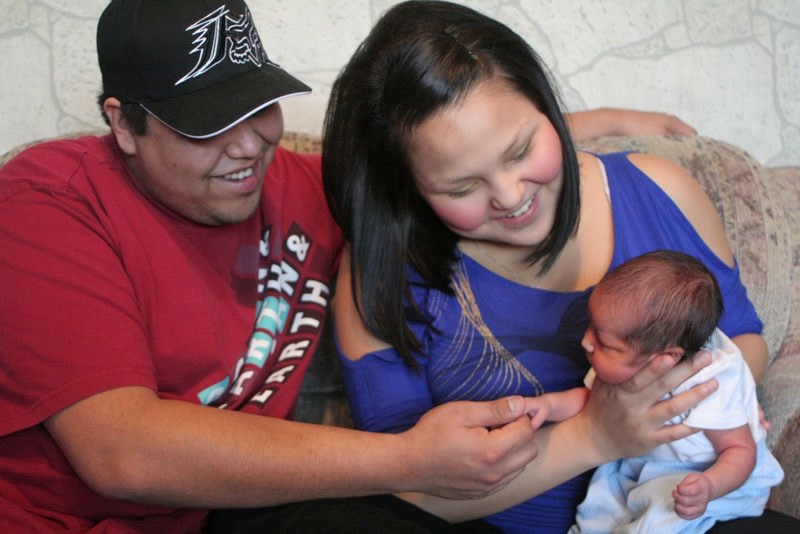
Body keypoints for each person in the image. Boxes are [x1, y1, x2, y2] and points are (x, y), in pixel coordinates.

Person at [0, 0, 711, 531]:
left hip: (226, 517)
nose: (248, 145)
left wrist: (574, 128)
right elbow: (122, 454)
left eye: (258, 107)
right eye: (206, 123)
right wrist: (408, 460)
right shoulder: (45, 204)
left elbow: (438, 160)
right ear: (125, 123)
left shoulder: (294, 185)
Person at [323, 1, 798, 532]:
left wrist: (703, 408)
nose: (509, 196)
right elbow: (400, 496)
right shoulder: (383, 272)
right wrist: (596, 435)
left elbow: (744, 338)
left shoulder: (662, 190)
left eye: (521, 149)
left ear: (548, 111)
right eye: (462, 187)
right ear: (409, 189)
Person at [516, 251, 784, 532]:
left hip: (706, 474)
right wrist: (548, 405)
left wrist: (710, 486)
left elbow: (741, 450)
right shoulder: (629, 357)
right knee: (597, 512)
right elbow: (588, 400)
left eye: (603, 342)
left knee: (656, 523)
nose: (586, 342)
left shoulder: (709, 383)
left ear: (665, 357)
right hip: (637, 464)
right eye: (590, 325)